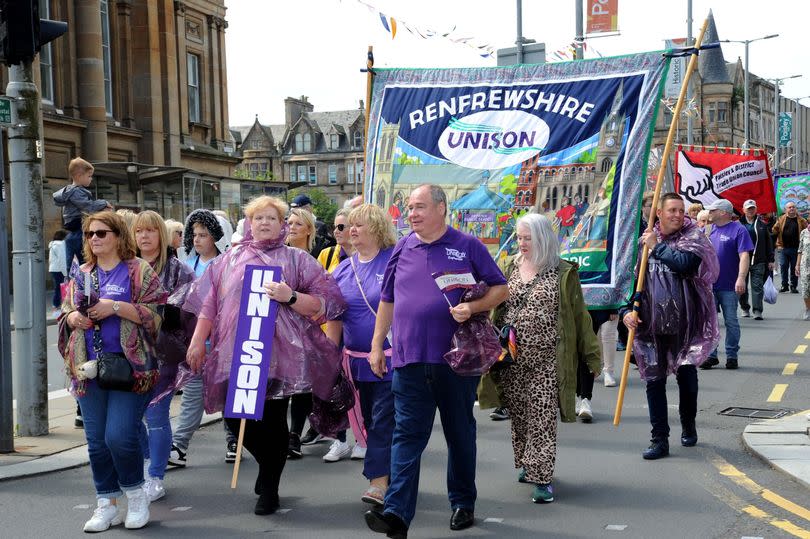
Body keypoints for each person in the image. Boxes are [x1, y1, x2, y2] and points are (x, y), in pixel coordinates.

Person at [184, 195, 346, 515]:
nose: (265, 223)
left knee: (272, 422)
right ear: (249, 223)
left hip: (280, 358)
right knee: (235, 417)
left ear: (282, 223)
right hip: (237, 353)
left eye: (272, 218)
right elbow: (209, 305)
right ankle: (267, 466)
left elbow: (323, 304)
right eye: (259, 218)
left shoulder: (297, 260)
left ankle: (269, 488)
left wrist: (290, 296)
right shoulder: (229, 260)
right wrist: (196, 341)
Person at [363, 184, 508, 538]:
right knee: (407, 437)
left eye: (420, 207)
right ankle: (397, 514)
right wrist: (377, 344)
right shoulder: (402, 247)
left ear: (442, 208)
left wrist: (472, 307)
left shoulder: (468, 246)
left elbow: (500, 288)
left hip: (454, 360)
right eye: (409, 208)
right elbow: (388, 300)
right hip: (409, 359)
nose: (411, 214)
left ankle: (462, 501)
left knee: (459, 434)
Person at [57, 211, 166, 532]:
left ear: (119, 236)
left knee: (119, 436)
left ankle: (135, 494)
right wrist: (73, 319)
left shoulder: (137, 270)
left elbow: (156, 314)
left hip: (130, 368)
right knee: (96, 442)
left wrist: (114, 307)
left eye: (101, 233)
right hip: (87, 369)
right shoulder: (82, 272)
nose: (94, 239)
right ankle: (106, 501)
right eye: (90, 234)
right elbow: (65, 312)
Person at [496, 213, 600, 503]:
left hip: (547, 360)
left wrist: (592, 358)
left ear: (542, 237)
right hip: (511, 359)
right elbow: (496, 302)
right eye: (519, 237)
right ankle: (530, 462)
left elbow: (580, 317)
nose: (522, 242)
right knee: (520, 416)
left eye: (527, 237)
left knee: (542, 417)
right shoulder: (509, 266)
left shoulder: (562, 272)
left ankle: (542, 477)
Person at [621, 193, 719, 460]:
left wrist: (658, 247)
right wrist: (627, 311)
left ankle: (688, 423)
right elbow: (632, 284)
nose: (678, 215)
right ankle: (659, 439)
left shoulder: (693, 237)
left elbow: (686, 265)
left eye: (681, 210)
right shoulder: (643, 242)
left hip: (685, 325)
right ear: (659, 213)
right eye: (672, 210)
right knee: (654, 381)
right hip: (650, 325)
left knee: (686, 378)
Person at [326, 203, 397, 505]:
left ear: (378, 228)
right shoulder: (341, 269)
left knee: (383, 421)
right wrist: (330, 358)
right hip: (355, 362)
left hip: (392, 360)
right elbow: (332, 315)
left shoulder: (395, 260)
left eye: (359, 225)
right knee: (369, 423)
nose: (351, 230)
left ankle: (377, 483)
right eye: (349, 225)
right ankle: (393, 476)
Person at [133, 211, 196, 503]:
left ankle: (156, 475)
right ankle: (148, 463)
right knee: (132, 419)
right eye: (138, 231)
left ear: (160, 233)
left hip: (164, 354)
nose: (144, 236)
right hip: (128, 355)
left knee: (156, 415)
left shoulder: (179, 270)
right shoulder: (125, 266)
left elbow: (193, 308)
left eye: (150, 231)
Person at [167, 209, 236, 467]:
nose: (197, 240)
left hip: (222, 341)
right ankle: (179, 445)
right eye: (194, 235)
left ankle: (232, 440)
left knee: (227, 394)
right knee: (192, 395)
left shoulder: (227, 264)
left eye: (203, 235)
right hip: (195, 342)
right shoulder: (187, 267)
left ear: (215, 237)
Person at [316, 208, 364, 461]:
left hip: (358, 333)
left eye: (343, 226)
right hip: (333, 331)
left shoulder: (369, 258)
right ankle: (340, 439)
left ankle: (362, 439)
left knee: (358, 390)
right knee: (337, 388)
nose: (338, 231)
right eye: (336, 227)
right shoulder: (327, 255)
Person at [284, 207, 321, 457]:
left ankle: (294, 434)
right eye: (289, 222)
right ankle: (279, 435)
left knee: (302, 384)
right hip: (278, 330)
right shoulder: (277, 256)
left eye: (298, 223)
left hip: (305, 329)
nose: (292, 227)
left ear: (308, 230)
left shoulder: (312, 261)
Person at [702, 199, 753, 370]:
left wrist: (741, 278)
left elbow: (744, 256)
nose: (709, 213)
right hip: (709, 285)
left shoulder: (739, 230)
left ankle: (731, 355)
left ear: (723, 213)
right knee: (710, 322)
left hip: (729, 285)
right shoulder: (707, 230)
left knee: (731, 321)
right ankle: (711, 355)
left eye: (712, 210)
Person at [53, 157, 113, 268]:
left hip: (73, 224)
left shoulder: (71, 191)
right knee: (84, 256)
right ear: (79, 176)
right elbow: (88, 207)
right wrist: (104, 203)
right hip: (78, 221)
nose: (91, 179)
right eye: (89, 176)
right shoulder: (76, 192)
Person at [739, 200, 774, 320]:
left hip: (758, 260)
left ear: (756, 209)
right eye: (748, 208)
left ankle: (757, 310)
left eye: (752, 208)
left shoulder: (762, 225)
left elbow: (769, 243)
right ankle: (744, 308)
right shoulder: (737, 224)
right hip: (741, 261)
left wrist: (771, 259)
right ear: (743, 210)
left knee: (757, 285)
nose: (750, 210)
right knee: (741, 286)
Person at [771, 202, 807, 293]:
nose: (791, 209)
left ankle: (793, 286)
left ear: (796, 209)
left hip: (796, 248)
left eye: (793, 207)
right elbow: (774, 230)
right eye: (789, 207)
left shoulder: (801, 220)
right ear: (786, 209)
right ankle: (784, 285)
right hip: (782, 248)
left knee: (795, 267)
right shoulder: (781, 219)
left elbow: (806, 231)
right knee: (783, 266)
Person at [49, 230, 69, 318]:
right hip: (60, 269)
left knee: (57, 288)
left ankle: (56, 307)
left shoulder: (53, 245)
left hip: (54, 269)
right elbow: (62, 259)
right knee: (62, 288)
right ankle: (59, 308)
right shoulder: (60, 245)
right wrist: (65, 273)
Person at [796, 223, 810, 320]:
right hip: (805, 265)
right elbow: (800, 250)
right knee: (805, 289)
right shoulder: (804, 232)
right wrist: (797, 264)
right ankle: (808, 308)